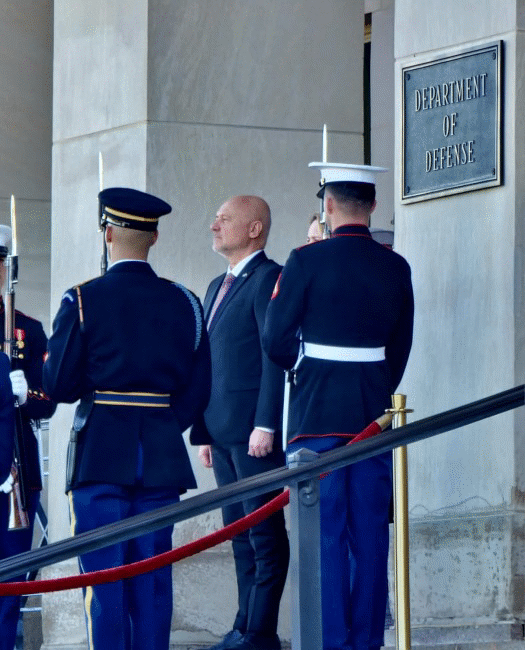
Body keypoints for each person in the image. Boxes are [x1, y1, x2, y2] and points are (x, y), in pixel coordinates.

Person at [43, 188, 211, 650]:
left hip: (100, 455)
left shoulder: (81, 299)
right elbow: (199, 390)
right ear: (154, 237)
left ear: (108, 233)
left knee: (105, 584)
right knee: (153, 582)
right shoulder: (187, 302)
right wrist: (159, 424)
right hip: (159, 458)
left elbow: (57, 386)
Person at [263, 162, 414, 650]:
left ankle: (329, 642)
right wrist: (372, 385)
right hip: (371, 416)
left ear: (327, 207)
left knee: (323, 538)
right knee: (370, 537)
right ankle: (366, 641)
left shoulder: (304, 261)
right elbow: (401, 346)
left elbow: (275, 337)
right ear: (371, 206)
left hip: (316, 416)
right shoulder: (396, 265)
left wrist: (304, 369)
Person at [190, 195, 289, 650]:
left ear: (253, 229)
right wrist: (202, 430)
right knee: (239, 537)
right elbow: (208, 363)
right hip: (222, 432)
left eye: (223, 219)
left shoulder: (269, 278)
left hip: (253, 435)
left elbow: (273, 358)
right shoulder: (216, 285)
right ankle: (243, 625)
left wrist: (267, 424)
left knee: (264, 536)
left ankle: (260, 632)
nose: (214, 226)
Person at [0, 225, 57, 650]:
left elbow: (48, 399)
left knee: (10, 574)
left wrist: (25, 395)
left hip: (16, 467)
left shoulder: (28, 329)